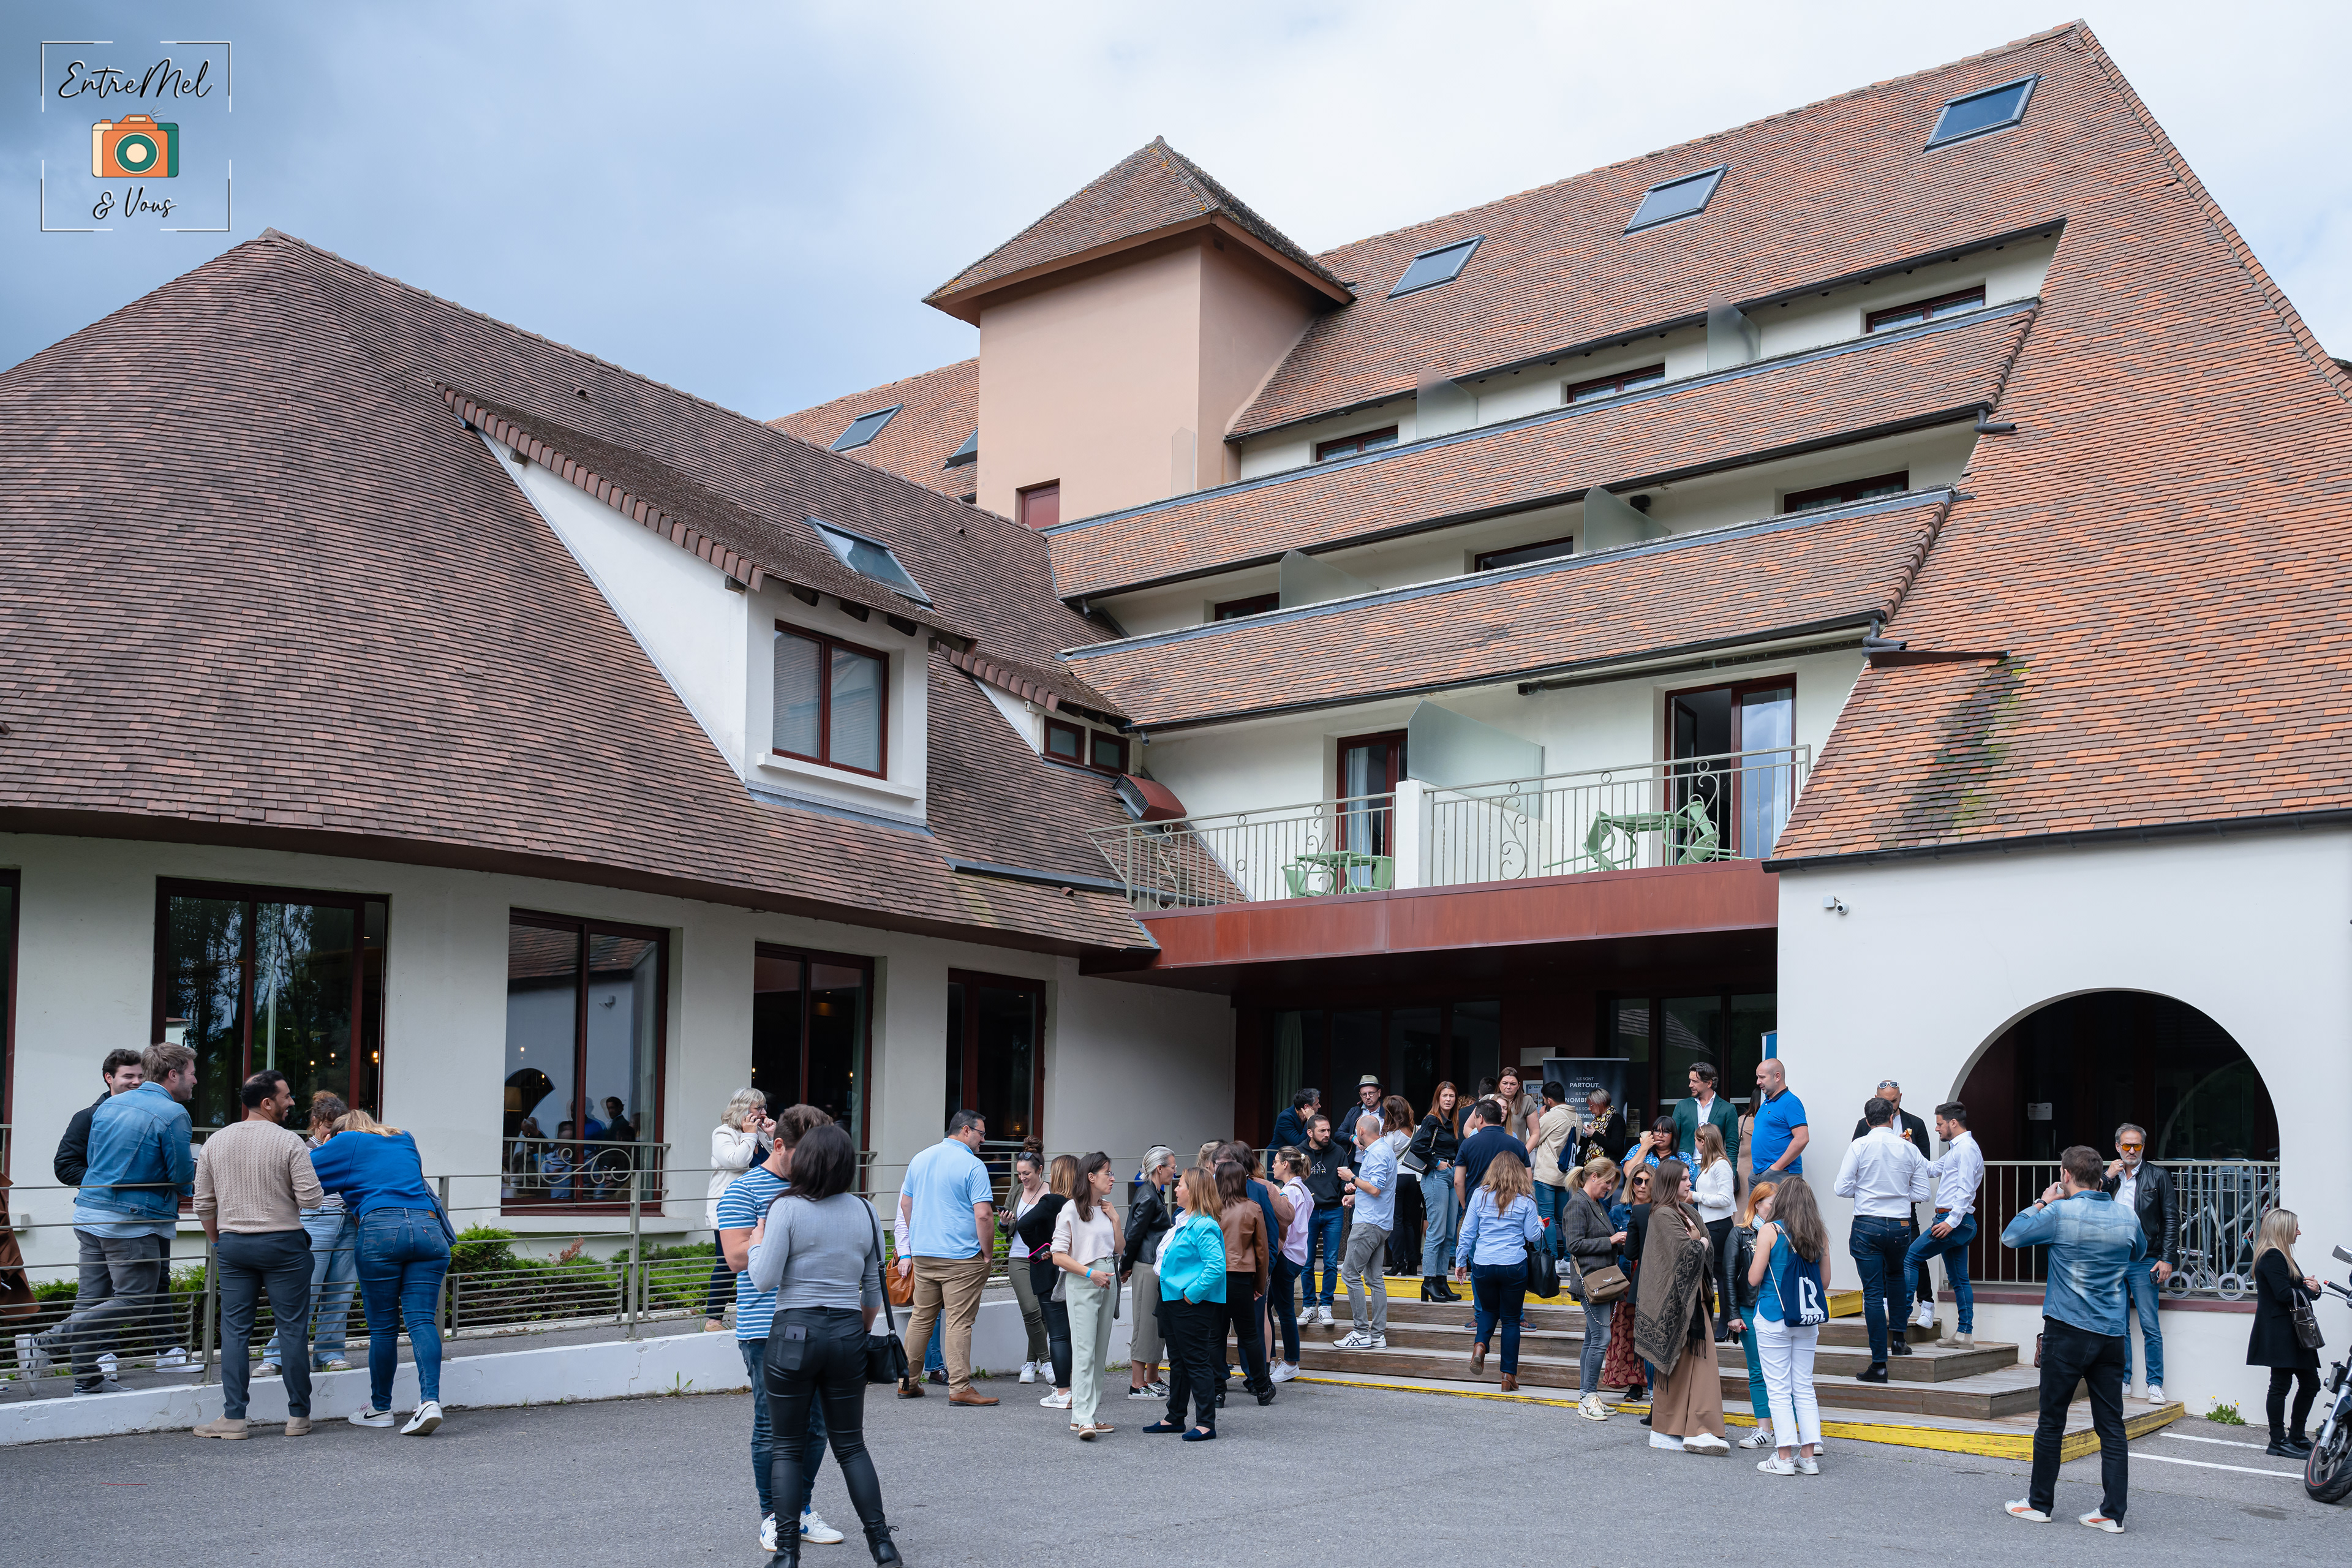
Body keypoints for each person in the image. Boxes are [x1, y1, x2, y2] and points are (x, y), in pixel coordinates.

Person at [743, 1122, 902, 1566]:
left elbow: (763, 1279)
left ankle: (787, 1554)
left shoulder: (786, 1207)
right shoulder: (866, 1211)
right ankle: (882, 1545)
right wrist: (858, 1331)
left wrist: (756, 1244)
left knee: (786, 1447)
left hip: (794, 1332)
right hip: (848, 1332)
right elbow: (873, 1288)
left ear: (806, 1161)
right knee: (851, 1446)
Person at [20, 1041, 197, 1396]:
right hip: (130, 1222)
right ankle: (45, 1343)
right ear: (173, 1074)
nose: (195, 1081)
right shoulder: (173, 1113)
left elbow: (97, 1162)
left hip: (89, 1214)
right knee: (136, 1300)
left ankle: (87, 1381)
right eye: (192, 1074)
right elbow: (180, 1176)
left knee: (90, 1302)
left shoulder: (108, 1106)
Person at [718, 1104, 843, 1552]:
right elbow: (737, 1258)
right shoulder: (743, 1190)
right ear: (778, 1146)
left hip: (817, 1323)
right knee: (772, 1426)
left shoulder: (819, 1189)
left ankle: (801, 1509)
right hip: (764, 1326)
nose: (816, 1162)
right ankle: (773, 1516)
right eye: (806, 1153)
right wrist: (789, 1236)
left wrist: (772, 1236)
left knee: (817, 1427)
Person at [2000, 1144, 2144, 1533]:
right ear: (2100, 1176)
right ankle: (2112, 1513)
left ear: (2065, 1175)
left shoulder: (2059, 1212)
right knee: (2111, 1425)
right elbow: (2138, 1254)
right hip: (2111, 1332)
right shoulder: (2127, 1215)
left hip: (2067, 1329)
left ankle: (2039, 1504)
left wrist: (2042, 1202)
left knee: (2052, 1422)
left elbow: (2011, 1237)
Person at [191, 1069, 322, 1440]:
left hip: (234, 1244)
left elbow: (203, 1203)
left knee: (234, 1331)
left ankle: (234, 1418)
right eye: (286, 1097)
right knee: (292, 1329)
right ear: (267, 1103)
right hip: (284, 1245)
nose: (292, 1102)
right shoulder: (289, 1141)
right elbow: (312, 1199)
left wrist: (219, 1240)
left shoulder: (216, 1141)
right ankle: (298, 1417)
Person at [309, 1108, 454, 1436]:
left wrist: (327, 1145)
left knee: (384, 1329)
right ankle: (430, 1402)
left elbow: (302, 1173)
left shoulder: (345, 1140)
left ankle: (380, 1409)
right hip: (429, 1230)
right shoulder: (404, 1138)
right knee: (422, 1321)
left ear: (340, 1131)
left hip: (381, 1230)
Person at [895, 1109, 997, 1406]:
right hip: (961, 1257)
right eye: (981, 1134)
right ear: (966, 1130)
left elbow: (905, 1204)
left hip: (925, 1254)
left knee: (921, 1318)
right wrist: (987, 1253)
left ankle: (907, 1382)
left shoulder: (920, 1159)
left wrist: (919, 1238)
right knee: (959, 1321)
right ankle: (960, 1387)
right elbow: (984, 1214)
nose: (983, 1140)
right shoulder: (973, 1165)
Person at [1833, 1096, 1933, 1380]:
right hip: (1900, 1224)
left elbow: (1841, 1188)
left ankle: (1879, 1364)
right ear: (1892, 1118)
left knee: (1874, 1294)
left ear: (1867, 1121)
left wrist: (1867, 1191)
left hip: (1868, 1223)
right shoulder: (1909, 1148)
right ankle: (1899, 1341)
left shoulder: (1859, 1145)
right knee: (1898, 1277)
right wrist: (1898, 1193)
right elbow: (1923, 1193)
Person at [1635, 1158, 1729, 1455]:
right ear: (1671, 1182)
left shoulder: (1689, 1211)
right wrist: (1700, 1243)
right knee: (1676, 1368)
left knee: (1701, 1367)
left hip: (1695, 1300)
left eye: (1690, 1178)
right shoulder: (1662, 1214)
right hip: (1672, 1304)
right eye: (1685, 1179)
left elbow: (1706, 1246)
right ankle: (1667, 1429)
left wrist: (1700, 1244)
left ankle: (1697, 1427)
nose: (1690, 1183)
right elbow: (1688, 1251)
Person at [263, 1091, 357, 1378]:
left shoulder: (349, 1145)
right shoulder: (302, 1148)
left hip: (348, 1221)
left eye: (338, 1127)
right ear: (316, 1122)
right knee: (305, 1290)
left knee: (341, 1292)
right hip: (316, 1219)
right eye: (328, 1126)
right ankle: (277, 1355)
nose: (333, 1133)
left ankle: (330, 1354)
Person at [1749, 1174, 1830, 1476]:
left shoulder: (1770, 1230)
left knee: (1778, 1389)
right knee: (1804, 1386)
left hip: (1774, 1315)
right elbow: (1824, 1282)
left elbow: (1754, 1278)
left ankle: (1783, 1457)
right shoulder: (1819, 1234)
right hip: (1807, 1319)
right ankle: (1808, 1457)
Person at [1145, 1167, 1229, 1441]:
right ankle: (1175, 1417)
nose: (1176, 1188)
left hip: (1190, 1303)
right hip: (1173, 1299)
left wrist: (1192, 1294)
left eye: (1181, 1185)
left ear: (1194, 1191)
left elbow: (1216, 1267)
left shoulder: (1204, 1225)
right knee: (1179, 1361)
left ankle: (1206, 1423)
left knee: (1196, 1361)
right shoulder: (1183, 1220)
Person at [2100, 1122, 2177, 1403]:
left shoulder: (2158, 1176)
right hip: (2113, 1260)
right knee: (2118, 1324)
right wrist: (2107, 1176)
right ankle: (2123, 1379)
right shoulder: (2109, 1178)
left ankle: (2155, 1383)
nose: (2131, 1150)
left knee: (2149, 1325)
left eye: (2137, 1145)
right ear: (2117, 1147)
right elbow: (2089, 1202)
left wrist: (2167, 1258)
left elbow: (2171, 1219)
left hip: (2146, 1259)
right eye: (2126, 1145)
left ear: (2143, 1147)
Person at [1050, 1152, 1126, 1438]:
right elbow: (1058, 1256)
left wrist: (1116, 1220)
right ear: (1091, 1177)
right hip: (1085, 1280)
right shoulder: (1071, 1209)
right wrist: (1089, 1273)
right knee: (1084, 1351)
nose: (1113, 1178)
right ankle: (1083, 1418)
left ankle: (1086, 1415)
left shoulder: (1106, 1209)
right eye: (1108, 1173)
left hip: (1109, 1278)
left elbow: (1119, 1249)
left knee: (1099, 1351)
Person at [1453, 1149, 1542, 1392]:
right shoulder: (1526, 1199)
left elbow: (1467, 1232)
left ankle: (1480, 1345)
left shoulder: (1479, 1195)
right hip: (1513, 1264)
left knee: (1489, 1311)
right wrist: (1541, 1227)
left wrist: (1461, 1261)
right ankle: (1507, 1376)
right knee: (1511, 1320)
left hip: (1483, 1263)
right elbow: (1532, 1235)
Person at [1852, 1080, 1934, 1330]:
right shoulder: (1864, 1125)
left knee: (1915, 1252)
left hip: (1904, 1202)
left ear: (1901, 1098)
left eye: (1894, 1100)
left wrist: (1906, 1151)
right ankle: (1887, 1306)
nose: (1890, 1105)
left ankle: (1926, 1302)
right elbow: (1856, 1162)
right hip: (1875, 1207)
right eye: (1885, 1101)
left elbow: (1925, 1163)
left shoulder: (1915, 1123)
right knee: (1882, 1258)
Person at [1908, 1101, 1985, 1349]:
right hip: (1957, 1221)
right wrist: (1909, 1147)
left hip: (1952, 1220)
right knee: (1960, 1279)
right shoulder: (1957, 1150)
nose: (1937, 1128)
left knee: (1910, 1258)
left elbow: (1965, 1189)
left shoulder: (1966, 1150)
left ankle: (1899, 1319)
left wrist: (1951, 1222)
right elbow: (1931, 1169)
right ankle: (1964, 1334)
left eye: (1940, 1124)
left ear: (1953, 1123)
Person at [2248, 1207, 2321, 1458]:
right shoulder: (2272, 1256)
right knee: (2280, 1385)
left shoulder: (2281, 1255)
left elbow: (2293, 1289)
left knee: (2310, 1384)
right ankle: (2278, 1441)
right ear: (2284, 1229)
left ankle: (2296, 1436)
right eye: (2296, 1228)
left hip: (2293, 1331)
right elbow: (2283, 1294)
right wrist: (2310, 1292)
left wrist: (2312, 1288)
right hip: (2281, 1331)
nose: (2299, 1232)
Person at [1335, 1102, 1408, 1350]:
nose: (1355, 1137)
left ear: (1362, 1132)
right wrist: (1356, 1196)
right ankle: (1377, 1335)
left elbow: (1375, 1189)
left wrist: (1352, 1177)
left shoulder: (1376, 1153)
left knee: (1350, 1274)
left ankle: (1360, 1332)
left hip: (1368, 1224)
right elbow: (1380, 1190)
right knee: (1375, 1279)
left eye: (1356, 1133)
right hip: (1380, 1223)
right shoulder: (1384, 1150)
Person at [1560, 1155, 1626, 1420]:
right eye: (1607, 1182)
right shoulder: (1578, 1204)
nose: (1610, 1188)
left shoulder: (1595, 1204)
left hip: (1601, 1281)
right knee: (1601, 1339)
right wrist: (1611, 1241)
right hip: (1590, 1283)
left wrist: (1614, 1241)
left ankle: (1587, 1396)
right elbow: (1574, 1245)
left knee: (1592, 1340)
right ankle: (1588, 1398)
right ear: (1594, 1177)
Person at [1014, 1155, 1079, 1411]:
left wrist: (1039, 1248)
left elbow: (1023, 1224)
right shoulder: (1081, 1204)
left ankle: (1063, 1391)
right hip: (1075, 1272)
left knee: (1059, 1335)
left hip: (1048, 1273)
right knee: (1073, 1334)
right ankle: (1076, 1388)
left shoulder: (1052, 1201)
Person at [706, 1088, 770, 1332]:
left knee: (761, 1259)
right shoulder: (724, 1133)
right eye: (758, 1108)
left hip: (761, 1208)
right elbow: (736, 1161)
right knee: (727, 1262)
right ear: (743, 1109)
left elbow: (776, 1164)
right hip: (731, 1209)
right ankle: (713, 1320)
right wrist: (750, 1135)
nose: (763, 1113)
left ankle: (756, 1315)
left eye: (764, 1107)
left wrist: (772, 1135)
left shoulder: (760, 1134)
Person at [1215, 1159, 1274, 1403]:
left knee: (1215, 1335)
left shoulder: (1210, 1208)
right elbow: (1262, 1252)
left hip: (1214, 1278)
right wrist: (1259, 1286)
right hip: (1241, 1277)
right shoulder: (1252, 1208)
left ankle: (1217, 1391)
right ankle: (1262, 1387)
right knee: (1249, 1335)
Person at [1121, 1146, 1177, 1400]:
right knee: (1145, 1325)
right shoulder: (1148, 1195)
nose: (1175, 1172)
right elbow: (1133, 1234)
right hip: (1146, 1265)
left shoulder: (1154, 1193)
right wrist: (1125, 1266)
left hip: (1152, 1265)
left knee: (1155, 1324)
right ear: (1160, 1168)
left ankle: (1152, 1378)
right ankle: (1137, 1384)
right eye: (1172, 1167)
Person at [1729, 1180, 1777, 1451]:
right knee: (1758, 1370)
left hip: (1778, 1309)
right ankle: (1764, 1429)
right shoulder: (1740, 1233)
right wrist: (1733, 1314)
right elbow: (1728, 1276)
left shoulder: (1784, 1232)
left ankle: (1791, 1430)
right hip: (1749, 1307)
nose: (1776, 1208)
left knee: (1783, 1372)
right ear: (1757, 1204)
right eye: (1771, 1203)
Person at [998, 1150, 1055, 1384]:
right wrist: (1004, 1223)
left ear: (1040, 1170)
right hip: (1019, 1258)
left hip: (1047, 1258)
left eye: (1027, 1173)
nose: (1022, 1178)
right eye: (1019, 1173)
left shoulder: (1052, 1192)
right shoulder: (1016, 1192)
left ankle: (1030, 1363)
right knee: (1031, 1310)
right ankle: (1048, 1362)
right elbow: (1004, 1228)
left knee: (1044, 1312)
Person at [1600, 1164, 1654, 1398]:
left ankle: (1652, 1383)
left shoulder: (1660, 1210)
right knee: (1626, 1329)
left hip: (1651, 1277)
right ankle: (1635, 1384)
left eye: (1647, 1181)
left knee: (1648, 1329)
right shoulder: (1618, 1212)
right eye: (1637, 1181)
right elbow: (1608, 1246)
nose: (1642, 1185)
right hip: (1625, 1277)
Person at [1408, 1082, 1462, 1300]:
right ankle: (1428, 1281)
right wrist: (1436, 1163)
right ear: (1438, 1098)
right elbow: (1417, 1146)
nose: (1448, 1099)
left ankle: (1441, 1280)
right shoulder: (1432, 1120)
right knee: (1437, 1232)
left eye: (1452, 1096)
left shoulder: (1453, 1123)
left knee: (1449, 1234)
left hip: (1451, 1176)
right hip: (1436, 1176)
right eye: (1444, 1096)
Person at [1300, 1114, 1352, 1325]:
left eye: (1329, 1130)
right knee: (1307, 1262)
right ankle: (1308, 1306)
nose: (1327, 1134)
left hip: (1334, 1210)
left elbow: (1343, 1180)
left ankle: (1326, 1306)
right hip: (1308, 1212)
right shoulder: (1299, 1152)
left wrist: (1348, 1187)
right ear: (1310, 1132)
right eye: (1322, 1130)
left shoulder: (1338, 1152)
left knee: (1331, 1262)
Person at [1268, 1146, 1311, 1381]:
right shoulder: (1301, 1189)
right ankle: (1272, 1358)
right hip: (1295, 1255)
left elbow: (1286, 1228)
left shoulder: (1290, 1192)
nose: (1272, 1165)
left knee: (1284, 1311)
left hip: (1286, 1255)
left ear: (1286, 1164)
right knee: (1271, 1307)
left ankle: (1291, 1362)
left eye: (1276, 1161)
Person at [1693, 1123, 1736, 1339]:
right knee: (1710, 1275)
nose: (1695, 1144)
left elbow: (1726, 1198)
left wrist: (1696, 1196)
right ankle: (1713, 1323)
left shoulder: (1721, 1166)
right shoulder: (1709, 1165)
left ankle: (1727, 1322)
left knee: (1721, 1275)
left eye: (1696, 1140)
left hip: (1719, 1226)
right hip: (1708, 1226)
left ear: (1703, 1142)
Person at [1528, 1081, 1577, 1262]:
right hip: (1565, 1176)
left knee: (1546, 1217)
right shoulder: (1577, 1117)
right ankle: (1568, 1259)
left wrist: (1541, 1117)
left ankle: (1552, 1259)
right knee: (1564, 1218)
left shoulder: (1551, 1116)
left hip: (1546, 1175)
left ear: (1549, 1100)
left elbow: (1532, 1138)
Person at [1454, 1098, 1530, 1213]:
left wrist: (1466, 1206)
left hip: (1477, 1206)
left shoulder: (1468, 1144)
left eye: (1475, 1119)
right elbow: (1528, 1178)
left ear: (1481, 1119)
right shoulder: (1518, 1144)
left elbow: (1458, 1181)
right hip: (1510, 1205)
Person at [1672, 1062, 1740, 1167]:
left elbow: (1732, 1146)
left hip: (1714, 1167)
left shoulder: (1728, 1109)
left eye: (1695, 1081)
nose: (1690, 1085)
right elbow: (1673, 1138)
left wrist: (1731, 1172)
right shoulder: (1682, 1106)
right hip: (1685, 1167)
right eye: (1690, 1080)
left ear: (1709, 1083)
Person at [1750, 1058, 1809, 1178]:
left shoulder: (1790, 1102)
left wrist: (1777, 1167)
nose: (1758, 1082)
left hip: (1780, 1174)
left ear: (1777, 1077)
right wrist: (1754, 1167)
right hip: (1759, 1172)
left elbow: (1802, 1138)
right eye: (1758, 1077)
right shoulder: (1767, 1103)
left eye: (1762, 1077)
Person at [1577, 1087, 1627, 1167]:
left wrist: (1594, 1134)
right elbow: (1590, 1144)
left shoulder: (1617, 1120)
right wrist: (1577, 1137)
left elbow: (1617, 1147)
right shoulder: (1597, 1121)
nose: (1589, 1109)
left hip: (1607, 1167)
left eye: (1591, 1106)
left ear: (1601, 1103)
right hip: (1591, 1165)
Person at [1493, 1066, 1540, 1142]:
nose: (1508, 1087)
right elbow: (1471, 1126)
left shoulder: (1526, 1101)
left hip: (1517, 1147)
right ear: (1499, 1084)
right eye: (1505, 1083)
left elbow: (1535, 1133)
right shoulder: (1489, 1099)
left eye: (1513, 1084)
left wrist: (1524, 1149)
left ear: (1518, 1086)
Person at [1272, 1088, 1319, 1155]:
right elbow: (1298, 1143)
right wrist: (1310, 1120)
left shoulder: (1313, 1116)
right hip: (1277, 1157)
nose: (1320, 1106)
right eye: (1317, 1104)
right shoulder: (1285, 1118)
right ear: (1307, 1107)